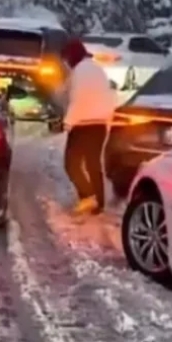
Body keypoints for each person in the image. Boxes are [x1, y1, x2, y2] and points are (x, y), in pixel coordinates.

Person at [61, 37, 118, 214]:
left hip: (82, 124)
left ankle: (88, 196)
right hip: (99, 124)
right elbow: (109, 96)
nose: (66, 64)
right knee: (93, 164)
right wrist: (107, 121)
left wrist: (67, 123)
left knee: (71, 164)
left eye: (66, 60)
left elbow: (78, 99)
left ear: (72, 57)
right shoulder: (97, 69)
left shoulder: (79, 71)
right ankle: (99, 202)